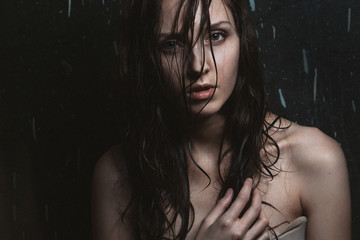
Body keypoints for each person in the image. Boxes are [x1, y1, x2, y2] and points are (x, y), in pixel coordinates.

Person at [91, 0, 351, 239]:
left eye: (216, 36)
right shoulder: (116, 175)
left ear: (242, 39)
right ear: (148, 57)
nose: (197, 65)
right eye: (172, 44)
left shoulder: (316, 159)